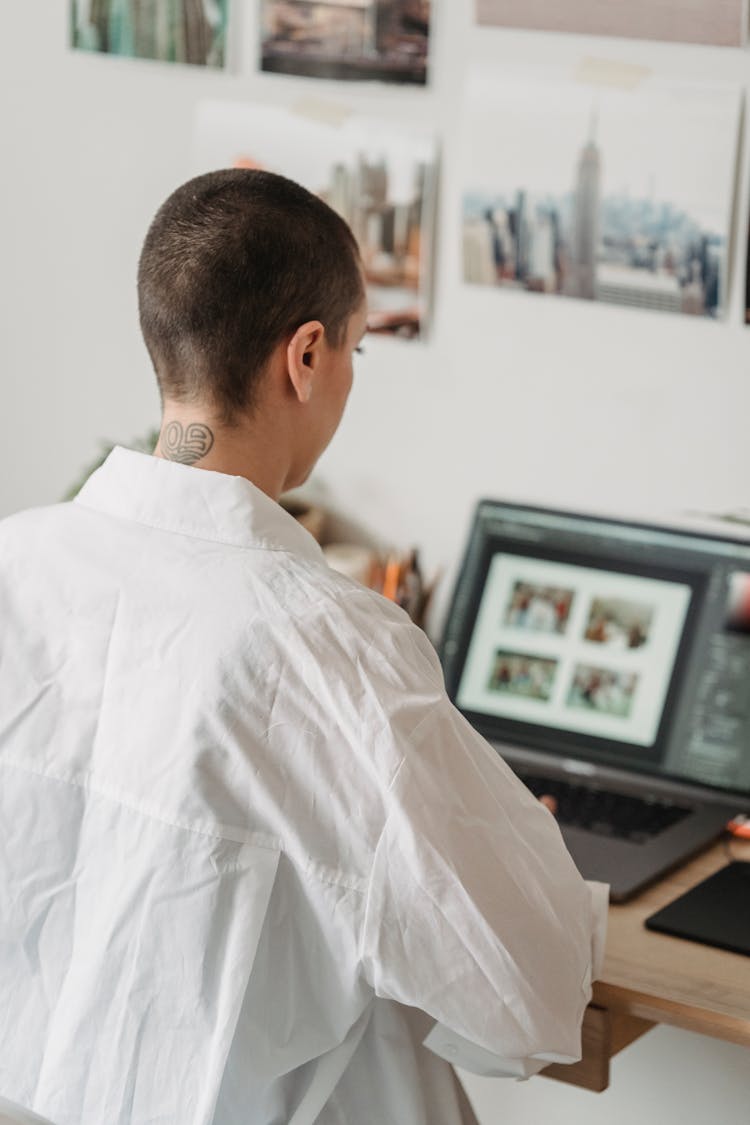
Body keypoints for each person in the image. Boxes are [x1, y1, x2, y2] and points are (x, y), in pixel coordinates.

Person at [0, 169, 606, 1125]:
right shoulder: (333, 646)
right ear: (308, 355)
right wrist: (496, 834)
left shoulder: (14, 565)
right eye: (359, 347)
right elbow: (530, 998)